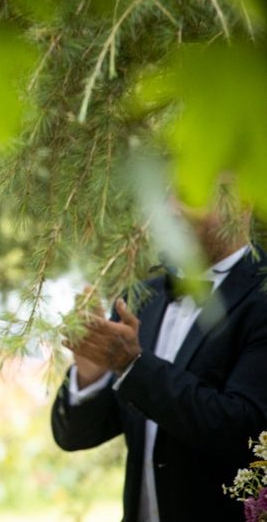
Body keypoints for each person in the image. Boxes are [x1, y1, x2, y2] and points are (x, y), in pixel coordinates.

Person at [51, 199, 267, 521]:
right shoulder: (141, 299)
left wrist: (133, 366)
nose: (173, 208)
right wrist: (89, 376)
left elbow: (246, 431)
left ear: (243, 202)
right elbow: (76, 436)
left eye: (191, 193)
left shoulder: (261, 297)